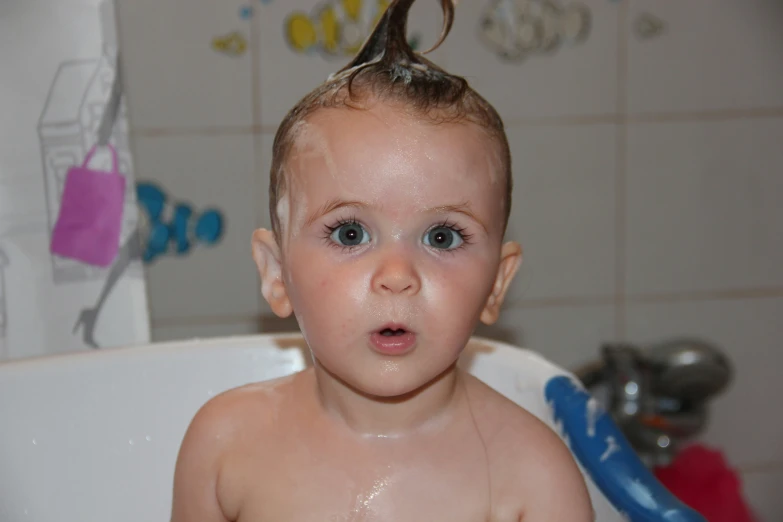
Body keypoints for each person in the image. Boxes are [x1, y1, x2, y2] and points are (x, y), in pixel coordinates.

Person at [171, 0, 593, 520]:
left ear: (497, 285)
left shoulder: (532, 479)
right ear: (276, 274)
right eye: (350, 233)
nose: (398, 276)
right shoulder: (225, 445)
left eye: (441, 237)